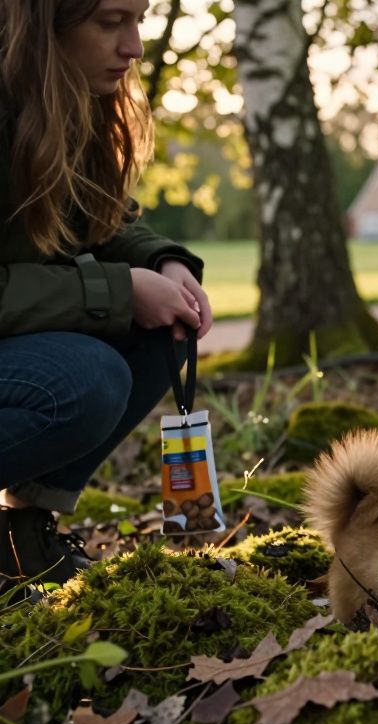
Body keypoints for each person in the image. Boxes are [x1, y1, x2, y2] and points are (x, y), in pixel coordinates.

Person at [0, 0, 213, 593]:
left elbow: (99, 217)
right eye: (111, 21)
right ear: (45, 23)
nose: (135, 47)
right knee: (84, 380)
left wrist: (160, 262)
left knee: (160, 329)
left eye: (139, 19)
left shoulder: (64, 101)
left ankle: (20, 533)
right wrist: (117, 290)